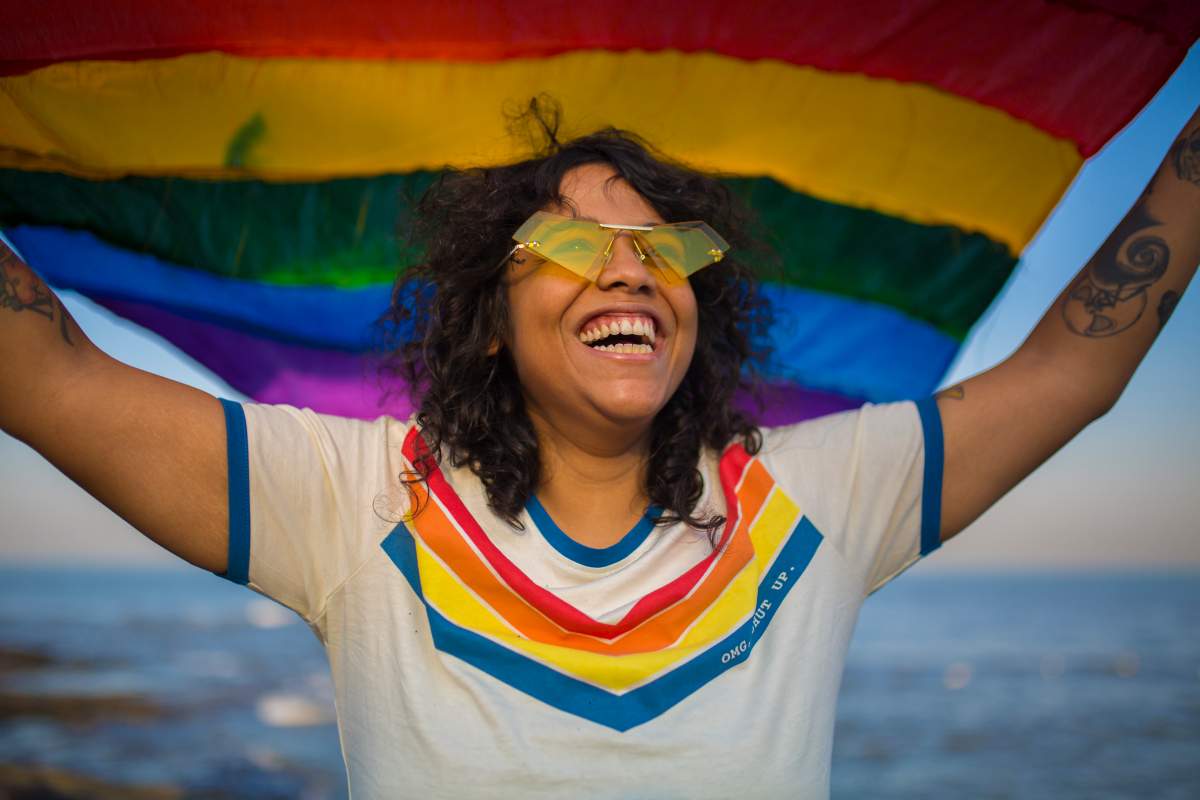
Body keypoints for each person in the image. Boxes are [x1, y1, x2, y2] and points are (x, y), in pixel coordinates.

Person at [1, 108, 1196, 798]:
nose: (631, 267)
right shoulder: (355, 499)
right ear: (485, 311)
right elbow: (47, 373)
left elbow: (1070, 370)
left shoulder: (816, 498)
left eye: (664, 247)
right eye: (574, 240)